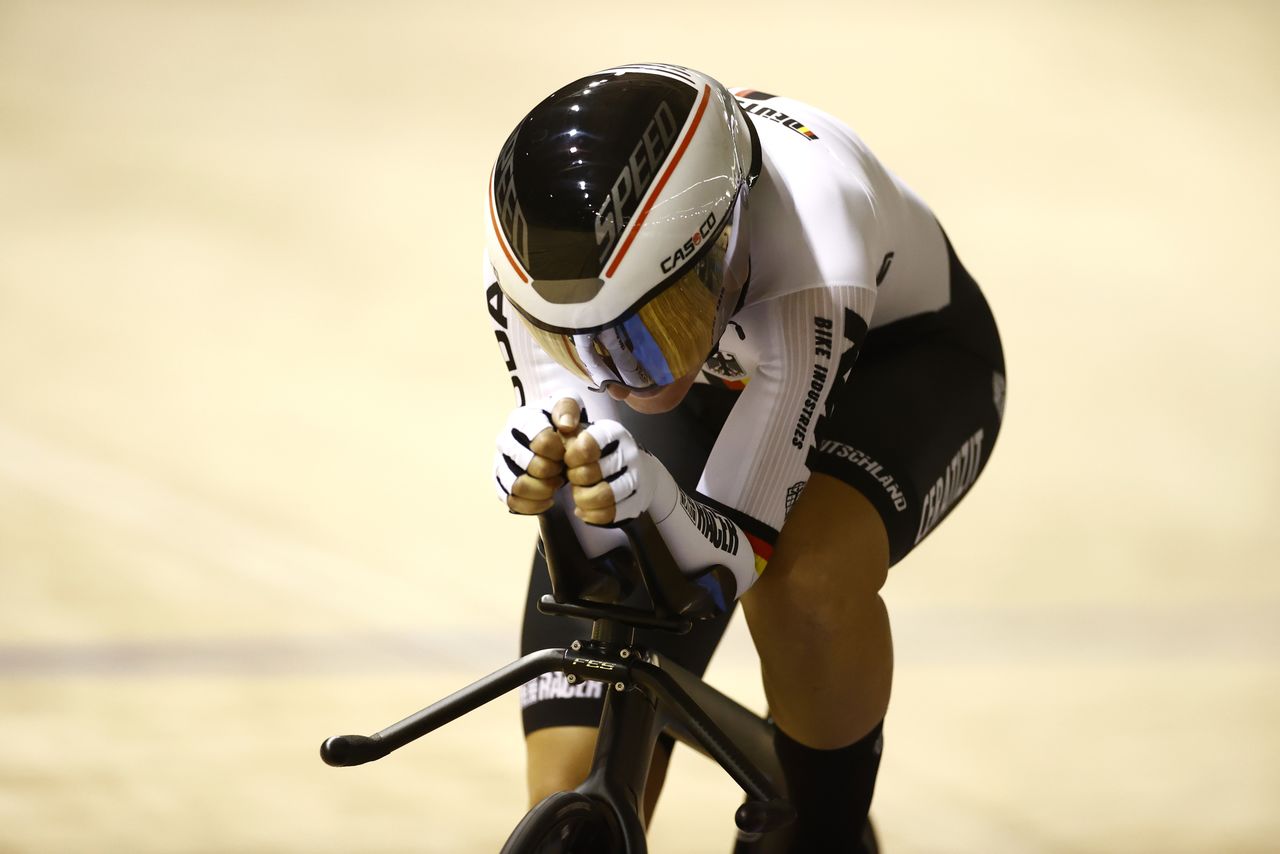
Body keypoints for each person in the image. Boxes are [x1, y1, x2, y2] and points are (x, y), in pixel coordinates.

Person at [485, 62, 1005, 852]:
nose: (617, 375)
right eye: (580, 342)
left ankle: (820, 829)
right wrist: (546, 465)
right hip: (727, 368)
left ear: (721, 245)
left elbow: (737, 556)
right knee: (566, 777)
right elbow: (583, 444)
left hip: (902, 364)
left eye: (651, 333)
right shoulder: (534, 257)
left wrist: (658, 500)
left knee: (806, 582)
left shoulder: (817, 242)